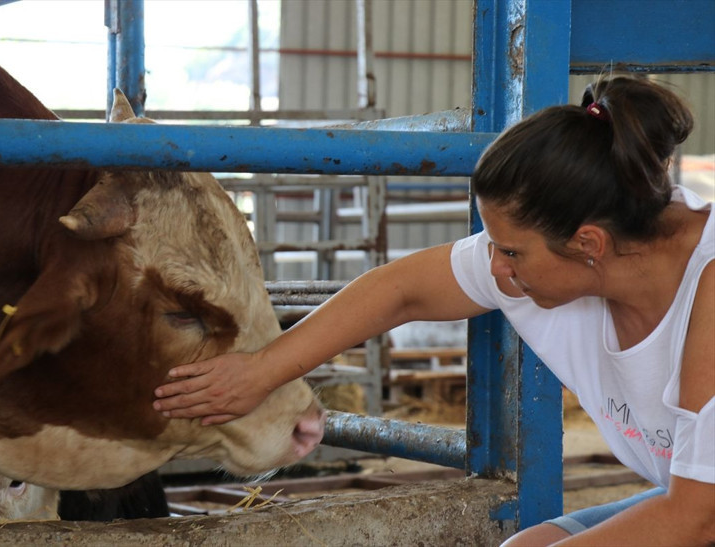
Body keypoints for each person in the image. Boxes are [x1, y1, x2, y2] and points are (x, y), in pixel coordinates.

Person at [153, 72, 714, 545]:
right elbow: (400, 289)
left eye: (511, 251)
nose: (494, 267)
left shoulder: (706, 290)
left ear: (588, 244)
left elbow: (695, 518)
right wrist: (261, 371)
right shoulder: (571, 253)